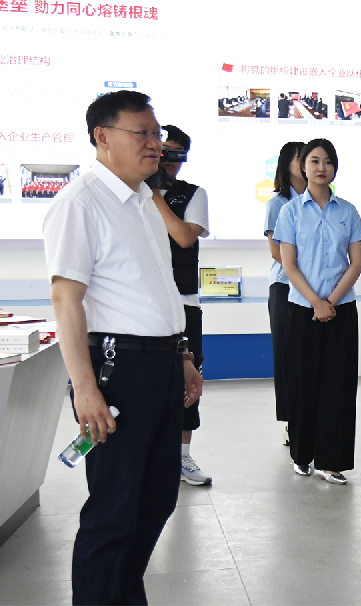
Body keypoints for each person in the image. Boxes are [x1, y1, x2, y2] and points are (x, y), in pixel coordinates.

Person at [43, 90, 203, 604]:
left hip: (161, 365)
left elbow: (157, 288)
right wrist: (84, 388)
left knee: (156, 500)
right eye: (143, 133)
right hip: (117, 370)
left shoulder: (143, 203)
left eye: (157, 134)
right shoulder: (80, 203)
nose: (155, 144)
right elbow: (67, 299)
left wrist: (182, 355)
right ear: (103, 137)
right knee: (114, 509)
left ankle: (122, 596)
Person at [273, 138, 361, 484]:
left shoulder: (348, 211)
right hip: (303, 309)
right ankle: (302, 455)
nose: (321, 167)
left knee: (338, 386)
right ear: (303, 167)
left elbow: (356, 263)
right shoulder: (290, 211)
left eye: (327, 161)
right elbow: (289, 265)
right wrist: (316, 302)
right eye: (314, 161)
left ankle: (333, 461)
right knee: (302, 383)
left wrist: (331, 301)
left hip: (342, 309)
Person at [150, 124, 212, 487]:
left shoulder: (192, 194)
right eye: (164, 152)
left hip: (183, 301)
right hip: (141, 302)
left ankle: (182, 456)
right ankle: (150, 456)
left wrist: (154, 194)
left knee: (188, 380)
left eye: (177, 155)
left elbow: (185, 237)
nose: (169, 161)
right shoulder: (129, 191)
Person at [264, 141, 305, 445]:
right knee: (288, 357)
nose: (307, 163)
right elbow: (276, 251)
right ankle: (293, 422)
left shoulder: (323, 202)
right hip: (285, 287)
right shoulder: (278, 203)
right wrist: (305, 276)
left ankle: (313, 418)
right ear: (286, 164)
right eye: (300, 158)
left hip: (318, 291)